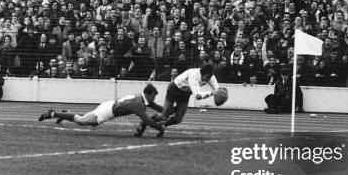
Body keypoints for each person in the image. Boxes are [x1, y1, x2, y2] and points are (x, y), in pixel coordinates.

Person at [37, 83, 165, 135]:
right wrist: (160, 128)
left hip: (109, 106)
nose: (154, 98)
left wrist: (169, 110)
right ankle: (52, 113)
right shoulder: (139, 104)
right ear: (148, 94)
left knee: (82, 120)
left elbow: (155, 106)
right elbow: (147, 121)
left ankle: (65, 113)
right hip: (107, 111)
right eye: (154, 96)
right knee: (81, 121)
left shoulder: (140, 97)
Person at [135, 64, 220, 138]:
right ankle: (145, 121)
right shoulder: (194, 76)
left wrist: (220, 94)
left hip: (186, 93)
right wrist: (212, 93)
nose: (208, 80)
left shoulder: (211, 77)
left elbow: (218, 90)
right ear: (203, 73)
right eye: (207, 77)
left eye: (210, 77)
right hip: (174, 89)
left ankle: (163, 125)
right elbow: (198, 96)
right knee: (164, 115)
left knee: (178, 119)